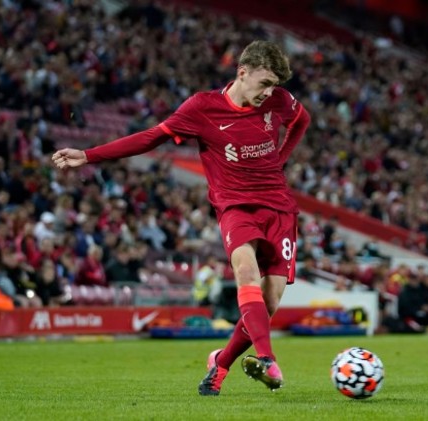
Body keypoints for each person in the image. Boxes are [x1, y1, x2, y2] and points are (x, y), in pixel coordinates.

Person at [51, 40, 311, 396]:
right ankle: (266, 358)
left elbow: (301, 120)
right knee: (245, 270)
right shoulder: (203, 108)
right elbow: (151, 137)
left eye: (274, 86)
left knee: (269, 303)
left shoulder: (278, 101)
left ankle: (220, 363)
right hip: (235, 206)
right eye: (264, 83)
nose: (269, 93)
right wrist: (89, 155)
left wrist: (280, 158)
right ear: (242, 72)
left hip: (279, 208)